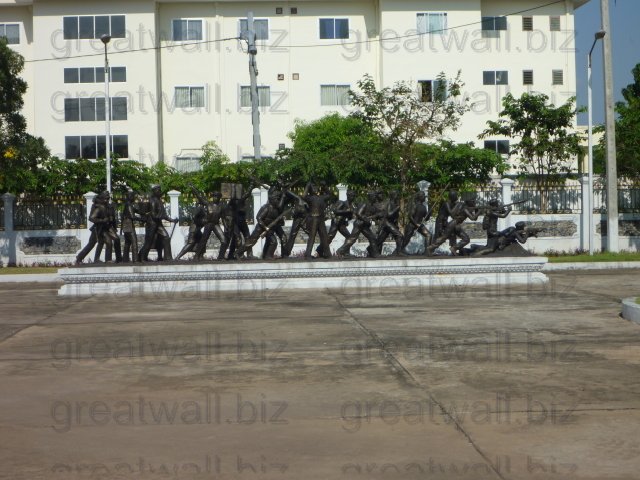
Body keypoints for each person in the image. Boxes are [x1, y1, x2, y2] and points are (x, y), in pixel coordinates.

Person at [138, 184, 178, 261]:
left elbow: (164, 215)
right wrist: (161, 217)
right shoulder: (152, 200)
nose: (160, 192)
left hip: (158, 224)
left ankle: (168, 257)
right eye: (158, 190)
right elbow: (153, 215)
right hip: (152, 224)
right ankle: (141, 257)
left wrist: (172, 220)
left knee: (166, 237)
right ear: (154, 191)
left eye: (160, 190)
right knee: (148, 242)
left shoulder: (159, 201)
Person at [336, 191, 381, 258]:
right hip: (359, 224)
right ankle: (340, 251)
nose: (375, 198)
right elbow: (359, 214)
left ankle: (374, 253)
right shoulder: (365, 204)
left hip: (364, 225)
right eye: (373, 196)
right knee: (352, 239)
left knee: (372, 237)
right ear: (370, 197)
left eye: (375, 196)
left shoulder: (372, 206)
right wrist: (366, 219)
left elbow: (372, 215)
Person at [302, 182, 333, 259]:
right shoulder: (310, 198)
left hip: (321, 219)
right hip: (314, 219)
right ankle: (307, 254)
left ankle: (327, 253)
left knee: (324, 237)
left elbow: (330, 195)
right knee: (312, 236)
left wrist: (325, 186)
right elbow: (303, 196)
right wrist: (307, 185)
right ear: (310, 190)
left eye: (316, 188)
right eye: (313, 188)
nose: (315, 189)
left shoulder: (322, 197)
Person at [175, 187, 207, 260]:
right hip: (194, 229)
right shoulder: (199, 208)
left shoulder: (202, 208)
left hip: (198, 229)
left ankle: (200, 256)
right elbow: (195, 217)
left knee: (202, 241)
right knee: (190, 243)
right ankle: (178, 257)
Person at [194, 191, 226, 260]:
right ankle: (196, 255)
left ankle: (220, 257)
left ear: (219, 198)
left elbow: (223, 218)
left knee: (224, 240)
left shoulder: (221, 207)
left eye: (217, 196)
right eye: (214, 196)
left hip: (216, 224)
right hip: (208, 224)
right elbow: (200, 198)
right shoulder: (208, 204)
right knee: (203, 240)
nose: (215, 198)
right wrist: (194, 189)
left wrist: (226, 227)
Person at [75, 192, 106, 264]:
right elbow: (91, 218)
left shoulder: (101, 206)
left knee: (100, 242)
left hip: (101, 227)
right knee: (91, 244)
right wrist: (102, 220)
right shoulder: (95, 206)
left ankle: (95, 259)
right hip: (96, 228)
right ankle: (80, 257)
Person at [401, 191, 432, 255]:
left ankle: (427, 251)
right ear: (420, 197)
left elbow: (426, 219)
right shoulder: (415, 205)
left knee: (429, 235)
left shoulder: (423, 207)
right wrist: (416, 224)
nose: (425, 198)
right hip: (412, 224)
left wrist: (429, 212)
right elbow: (410, 216)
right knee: (406, 239)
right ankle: (399, 250)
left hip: (419, 225)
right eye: (423, 196)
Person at [375, 190, 404, 256]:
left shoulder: (394, 203)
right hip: (387, 223)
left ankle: (371, 249)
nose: (397, 196)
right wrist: (397, 208)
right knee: (399, 235)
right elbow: (389, 214)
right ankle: (399, 252)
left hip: (392, 223)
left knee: (381, 239)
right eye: (396, 194)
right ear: (393, 195)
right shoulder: (390, 203)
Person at [121, 189, 144, 262]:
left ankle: (125, 259)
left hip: (125, 225)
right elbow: (132, 216)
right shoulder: (129, 205)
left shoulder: (128, 204)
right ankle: (135, 259)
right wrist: (142, 219)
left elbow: (136, 210)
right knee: (134, 242)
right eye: (133, 196)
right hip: (129, 225)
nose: (134, 198)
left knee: (127, 243)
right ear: (130, 197)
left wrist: (143, 212)